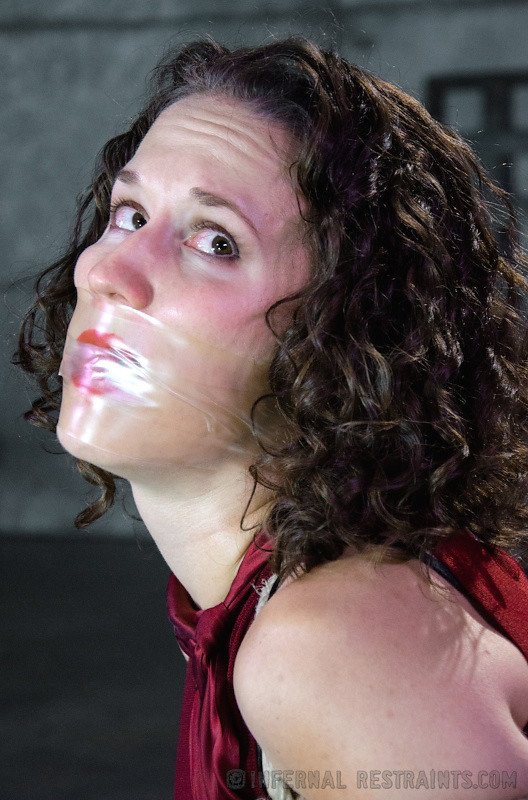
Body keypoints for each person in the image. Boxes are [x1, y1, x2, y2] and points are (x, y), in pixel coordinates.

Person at [15, 35, 528, 799]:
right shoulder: (301, 605)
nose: (107, 271)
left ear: (345, 334)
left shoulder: (327, 650)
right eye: (129, 214)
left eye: (216, 241)